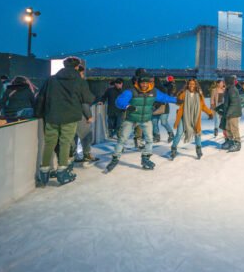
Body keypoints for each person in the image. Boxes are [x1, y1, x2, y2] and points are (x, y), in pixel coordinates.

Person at [33, 57, 95, 186]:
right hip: (70, 117)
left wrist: (38, 114)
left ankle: (44, 171)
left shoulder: (51, 79)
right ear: (77, 66)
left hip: (51, 115)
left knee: (49, 143)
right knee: (65, 142)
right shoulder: (79, 80)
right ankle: (62, 171)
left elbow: (41, 97)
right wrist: (88, 114)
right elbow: (87, 99)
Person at [105, 69, 178, 172]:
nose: (144, 85)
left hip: (145, 119)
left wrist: (177, 100)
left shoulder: (154, 91)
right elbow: (119, 101)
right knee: (122, 139)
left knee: (149, 139)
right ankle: (115, 158)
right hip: (131, 119)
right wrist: (127, 106)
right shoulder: (131, 91)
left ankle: (145, 158)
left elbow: (165, 97)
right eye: (142, 83)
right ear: (138, 82)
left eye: (146, 83)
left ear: (149, 83)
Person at [170, 78, 213, 160]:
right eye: (190, 84)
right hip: (184, 117)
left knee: (197, 132)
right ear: (187, 85)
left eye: (193, 84)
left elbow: (203, 106)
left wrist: (209, 112)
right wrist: (180, 94)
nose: (191, 85)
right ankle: (173, 148)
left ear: (196, 85)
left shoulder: (199, 94)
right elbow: (178, 100)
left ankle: (198, 149)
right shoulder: (184, 93)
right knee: (179, 133)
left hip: (195, 117)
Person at [72, 65, 96, 163]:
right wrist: (89, 116)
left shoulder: (65, 83)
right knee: (86, 135)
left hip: (68, 114)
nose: (83, 76)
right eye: (82, 73)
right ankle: (87, 154)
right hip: (80, 114)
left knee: (72, 136)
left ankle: (71, 156)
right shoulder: (80, 83)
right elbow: (84, 101)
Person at [152, 76, 176, 143]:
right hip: (154, 107)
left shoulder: (163, 88)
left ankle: (171, 134)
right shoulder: (151, 89)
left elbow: (165, 98)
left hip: (163, 107)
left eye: (152, 81)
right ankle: (156, 136)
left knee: (164, 122)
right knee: (154, 122)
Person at [222, 75, 243, 152]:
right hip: (229, 112)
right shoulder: (228, 89)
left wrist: (228, 113)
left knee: (234, 128)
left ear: (228, 82)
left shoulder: (233, 90)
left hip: (233, 113)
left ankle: (237, 143)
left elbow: (234, 103)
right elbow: (227, 102)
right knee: (228, 127)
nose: (223, 82)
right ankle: (230, 141)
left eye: (225, 81)